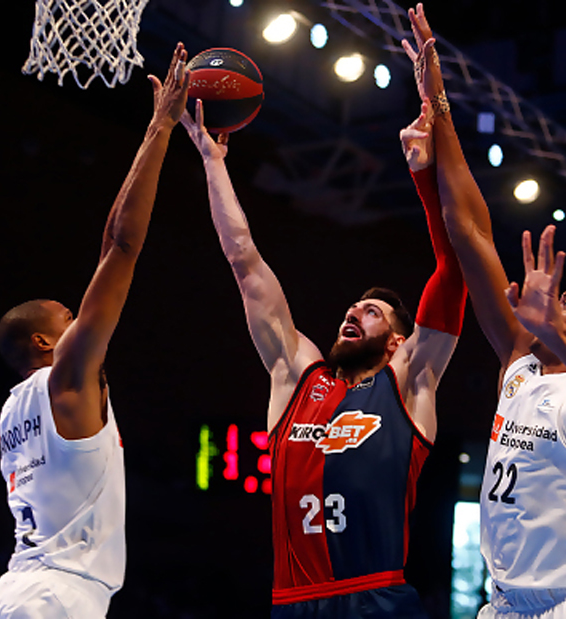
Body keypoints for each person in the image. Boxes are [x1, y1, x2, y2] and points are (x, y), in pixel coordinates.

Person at [402, 5, 566, 618]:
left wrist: (558, 338)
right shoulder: (521, 362)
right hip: (503, 605)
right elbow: (467, 229)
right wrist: (438, 105)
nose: (551, 298)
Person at [181, 97, 466, 617]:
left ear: (398, 343)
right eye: (354, 306)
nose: (355, 310)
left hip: (376, 598)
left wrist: (426, 173)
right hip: (293, 602)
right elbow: (244, 261)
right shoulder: (297, 376)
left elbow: (453, 270)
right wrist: (213, 162)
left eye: (374, 312)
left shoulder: (408, 381)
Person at [0, 43, 191, 619]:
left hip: (8, 592)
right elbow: (122, 247)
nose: (81, 324)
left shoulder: (12, 407)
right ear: (46, 344)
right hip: (57, 597)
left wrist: (150, 133)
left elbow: (106, 251)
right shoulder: (65, 381)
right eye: (69, 319)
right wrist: (162, 128)